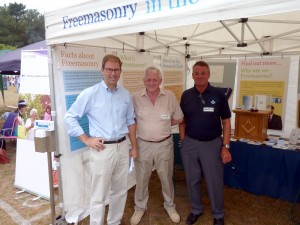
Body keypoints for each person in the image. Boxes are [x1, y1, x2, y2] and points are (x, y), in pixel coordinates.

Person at [64, 54, 138, 225]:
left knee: (120, 191)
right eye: (109, 70)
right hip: (102, 150)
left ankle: (114, 222)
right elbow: (70, 117)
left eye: (116, 70)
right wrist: (86, 139)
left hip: (122, 147)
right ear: (102, 71)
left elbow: (130, 121)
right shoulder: (90, 93)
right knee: (98, 195)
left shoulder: (126, 95)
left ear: (120, 71)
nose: (113, 73)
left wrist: (134, 146)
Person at [179, 61, 232, 225]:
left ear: (208, 75)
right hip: (190, 144)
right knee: (192, 179)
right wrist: (183, 140)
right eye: (196, 73)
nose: (200, 76)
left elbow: (227, 122)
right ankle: (196, 210)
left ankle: (218, 214)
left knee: (214, 180)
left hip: (212, 144)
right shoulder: (186, 95)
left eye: (203, 73)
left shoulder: (218, 94)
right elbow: (182, 120)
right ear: (192, 75)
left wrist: (225, 147)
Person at [130, 66, 184, 225]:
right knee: (141, 179)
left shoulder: (170, 96)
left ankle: (170, 205)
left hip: (164, 145)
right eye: (148, 80)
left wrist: (166, 123)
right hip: (143, 145)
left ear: (160, 81)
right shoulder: (135, 97)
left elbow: (179, 118)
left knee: (166, 178)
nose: (152, 82)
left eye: (155, 79)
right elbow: (130, 121)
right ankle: (139, 207)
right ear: (144, 81)